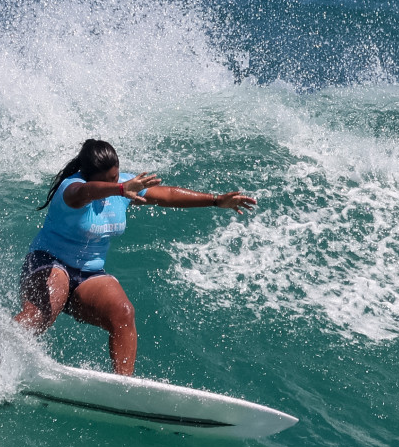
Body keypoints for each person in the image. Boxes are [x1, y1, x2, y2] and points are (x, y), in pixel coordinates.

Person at [14, 138, 257, 375]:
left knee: (123, 313)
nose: (116, 182)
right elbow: (87, 192)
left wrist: (215, 201)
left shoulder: (124, 185)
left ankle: (122, 390)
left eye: (117, 176)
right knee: (40, 315)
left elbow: (167, 195)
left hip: (88, 274)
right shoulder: (72, 189)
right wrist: (119, 188)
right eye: (109, 180)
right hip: (49, 262)